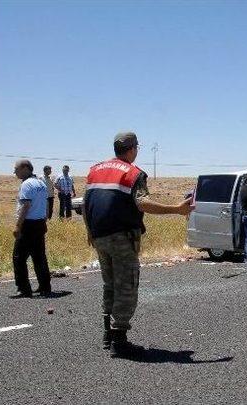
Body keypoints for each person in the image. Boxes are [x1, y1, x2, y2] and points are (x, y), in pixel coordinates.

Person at [83, 132, 192, 357]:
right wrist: (176, 209)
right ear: (132, 149)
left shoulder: (95, 170)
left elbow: (86, 203)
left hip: (99, 235)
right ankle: (119, 341)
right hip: (122, 237)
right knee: (127, 286)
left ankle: (107, 335)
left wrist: (89, 231)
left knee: (109, 284)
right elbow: (142, 203)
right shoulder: (133, 174)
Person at [11, 159, 52, 298]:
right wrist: (44, 219)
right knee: (39, 256)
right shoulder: (40, 182)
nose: (14, 172)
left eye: (16, 169)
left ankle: (23, 288)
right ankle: (45, 286)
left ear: (25, 168)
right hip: (40, 223)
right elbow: (45, 204)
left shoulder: (26, 184)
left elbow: (25, 206)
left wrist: (18, 226)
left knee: (19, 257)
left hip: (28, 225)